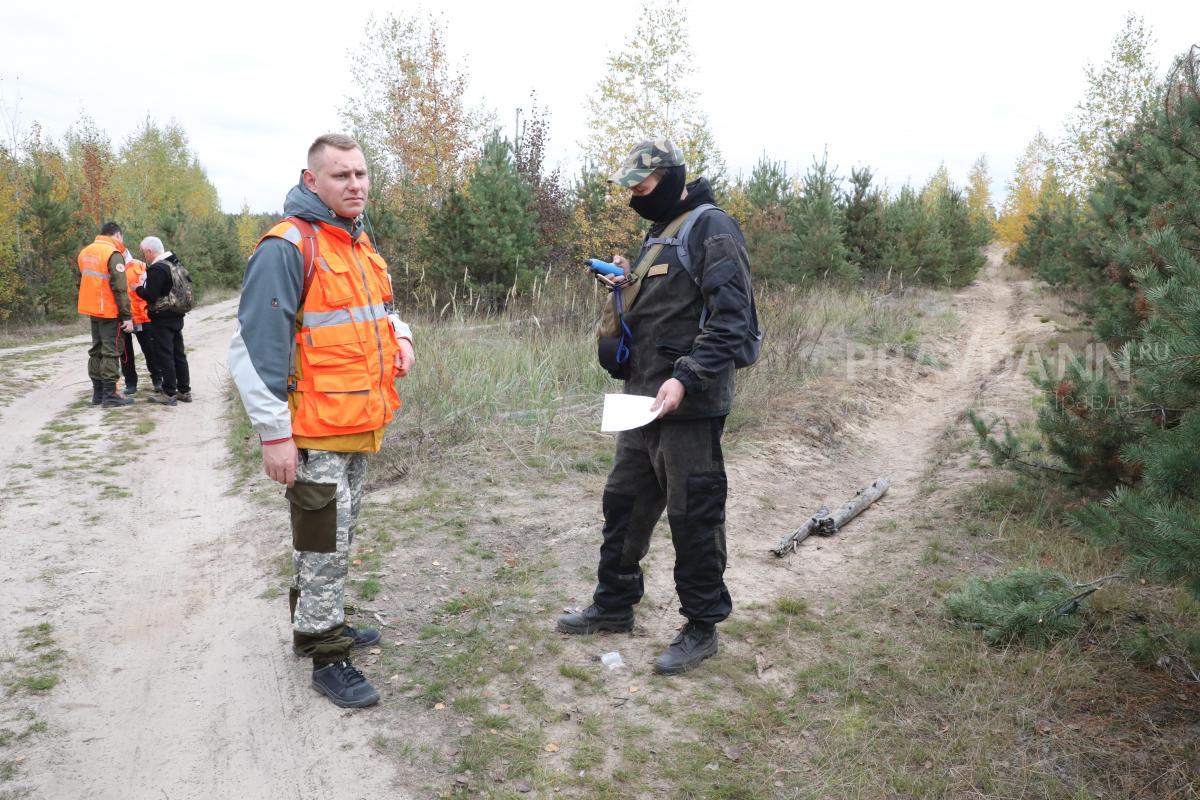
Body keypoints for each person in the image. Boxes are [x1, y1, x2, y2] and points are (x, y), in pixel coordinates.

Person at [229, 133, 415, 709]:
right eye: (341, 175)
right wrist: (274, 435)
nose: (355, 185)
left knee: (335, 538)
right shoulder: (288, 246)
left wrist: (402, 336)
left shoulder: (355, 241)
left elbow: (381, 310)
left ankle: (315, 622)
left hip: (355, 421)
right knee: (323, 546)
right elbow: (253, 350)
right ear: (312, 181)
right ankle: (327, 656)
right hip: (313, 432)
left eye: (361, 174)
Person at [557, 139, 757, 675]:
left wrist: (686, 379)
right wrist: (624, 285)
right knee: (623, 504)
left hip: (688, 407)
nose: (635, 198)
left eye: (642, 187)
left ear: (670, 179)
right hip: (641, 400)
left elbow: (732, 320)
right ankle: (614, 604)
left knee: (695, 515)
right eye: (630, 189)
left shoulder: (712, 228)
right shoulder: (660, 232)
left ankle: (701, 626)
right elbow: (667, 307)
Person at [77, 222, 134, 408]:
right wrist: (126, 316)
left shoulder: (85, 252)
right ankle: (110, 395)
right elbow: (120, 288)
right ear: (117, 235)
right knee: (111, 351)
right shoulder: (113, 254)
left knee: (96, 350)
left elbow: (82, 281)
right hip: (109, 311)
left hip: (92, 309)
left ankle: (98, 393)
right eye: (122, 238)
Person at [135, 236, 191, 406]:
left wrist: (138, 289)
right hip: (177, 314)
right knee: (179, 354)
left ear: (149, 251)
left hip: (162, 317)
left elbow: (151, 296)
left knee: (165, 354)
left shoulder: (157, 269)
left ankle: (169, 393)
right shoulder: (175, 264)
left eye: (144, 253)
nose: (144, 256)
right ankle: (184, 391)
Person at [120, 251, 162, 396]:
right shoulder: (111, 268)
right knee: (125, 353)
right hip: (122, 317)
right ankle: (130, 383)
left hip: (143, 317)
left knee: (151, 351)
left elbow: (151, 291)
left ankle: (158, 380)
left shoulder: (141, 266)